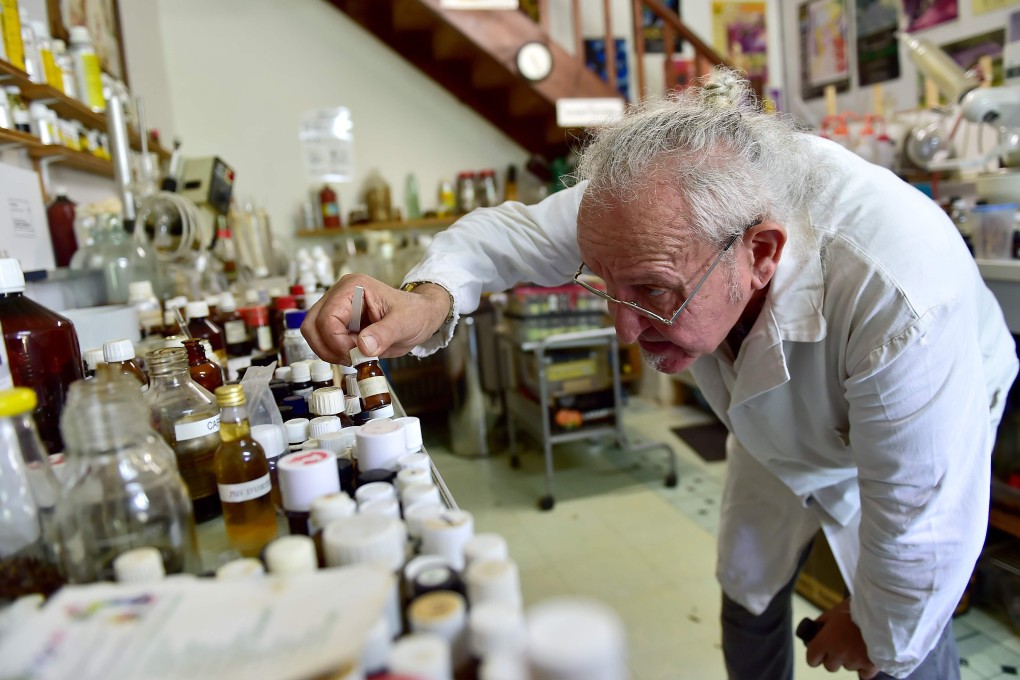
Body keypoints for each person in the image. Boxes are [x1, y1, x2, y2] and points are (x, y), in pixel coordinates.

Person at [303, 68, 1018, 679]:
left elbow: (922, 525)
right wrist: (428, 302)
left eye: (650, 290)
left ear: (761, 253)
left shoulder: (897, 289)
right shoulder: (646, 205)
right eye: (604, 283)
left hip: (923, 408)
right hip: (778, 415)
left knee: (906, 627)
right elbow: (507, 237)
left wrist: (872, 626)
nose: (625, 330)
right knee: (746, 573)